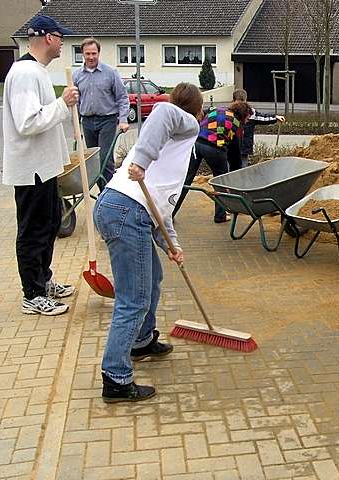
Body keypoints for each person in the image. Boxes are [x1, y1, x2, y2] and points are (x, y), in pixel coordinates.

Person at [94, 83, 203, 402]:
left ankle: (142, 341)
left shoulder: (172, 143)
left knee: (151, 279)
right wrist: (140, 159)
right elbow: (165, 111)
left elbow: (159, 202)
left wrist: (172, 244)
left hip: (122, 207)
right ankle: (115, 377)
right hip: (127, 211)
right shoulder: (184, 122)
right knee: (133, 299)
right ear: (196, 111)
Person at [2, 15, 78, 316]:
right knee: (33, 231)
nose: (62, 43)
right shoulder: (24, 74)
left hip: (44, 168)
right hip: (31, 169)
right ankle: (32, 294)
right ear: (48, 37)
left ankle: (43, 280)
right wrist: (63, 104)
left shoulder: (37, 71)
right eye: (60, 38)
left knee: (48, 226)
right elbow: (27, 121)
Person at [172, 100, 253, 221]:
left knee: (186, 180)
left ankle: (170, 213)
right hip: (214, 148)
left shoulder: (216, 110)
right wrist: (236, 174)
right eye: (247, 118)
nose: (247, 121)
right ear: (243, 114)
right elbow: (235, 154)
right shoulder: (236, 124)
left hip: (196, 143)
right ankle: (220, 215)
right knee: (220, 182)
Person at [73, 37, 130, 191]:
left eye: (94, 53)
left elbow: (122, 97)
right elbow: (76, 103)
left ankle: (110, 194)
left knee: (105, 159)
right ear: (82, 55)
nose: (91, 57)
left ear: (99, 53)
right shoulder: (77, 75)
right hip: (87, 121)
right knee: (93, 161)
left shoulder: (110, 73)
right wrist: (75, 126)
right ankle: (103, 192)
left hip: (107, 120)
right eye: (87, 54)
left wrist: (123, 119)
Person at [227, 88, 285, 170]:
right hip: (244, 147)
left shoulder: (228, 111)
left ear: (233, 100)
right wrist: (275, 118)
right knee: (242, 170)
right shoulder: (251, 112)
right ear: (246, 100)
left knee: (228, 168)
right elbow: (263, 118)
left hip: (230, 146)